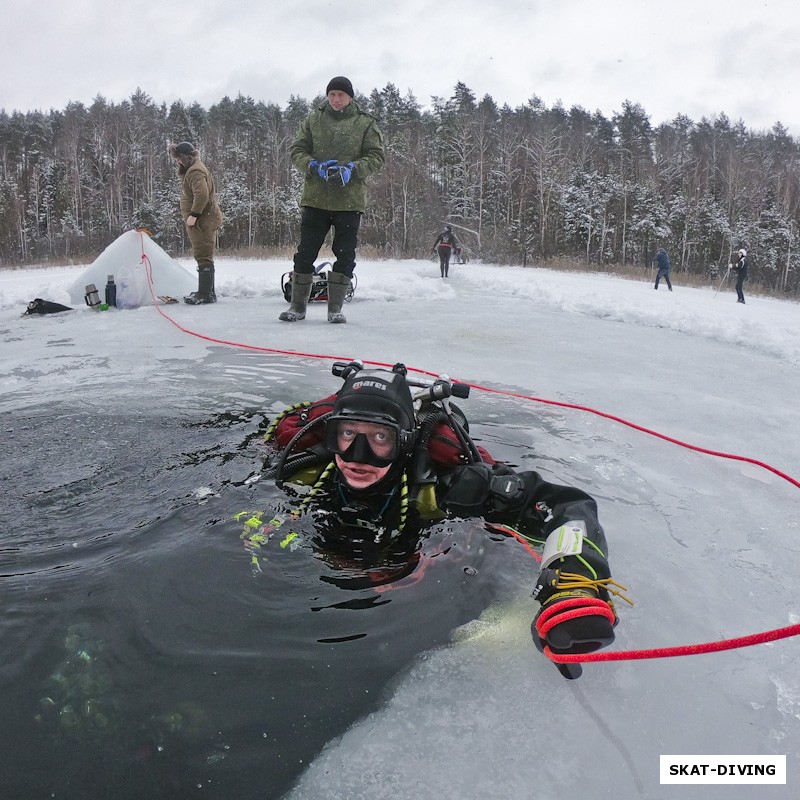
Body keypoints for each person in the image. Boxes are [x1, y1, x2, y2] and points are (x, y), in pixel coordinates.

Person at [259, 361, 628, 678]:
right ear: (332, 433)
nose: (359, 455)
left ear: (404, 440)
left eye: (380, 438)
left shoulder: (454, 485)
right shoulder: (310, 466)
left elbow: (567, 508)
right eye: (349, 434)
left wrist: (574, 583)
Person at [280, 76, 385, 324]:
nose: (336, 99)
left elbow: (377, 156)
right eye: (332, 94)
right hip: (316, 199)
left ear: (350, 97)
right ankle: (297, 307)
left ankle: (335, 309)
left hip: (349, 202)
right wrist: (313, 166)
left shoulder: (365, 124)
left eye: (341, 95)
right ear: (327, 96)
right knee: (305, 253)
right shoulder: (313, 120)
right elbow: (297, 150)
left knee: (345, 254)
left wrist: (353, 169)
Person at [169, 142, 224, 305]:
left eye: (179, 158)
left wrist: (194, 215)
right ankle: (207, 292)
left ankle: (205, 295)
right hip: (204, 218)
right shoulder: (195, 168)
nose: (178, 162)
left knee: (203, 253)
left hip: (203, 220)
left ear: (186, 157)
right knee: (204, 253)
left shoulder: (194, 171)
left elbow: (202, 195)